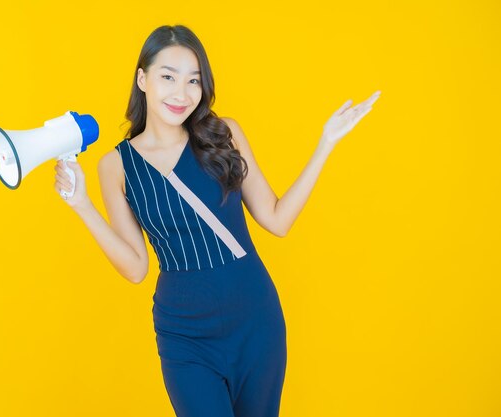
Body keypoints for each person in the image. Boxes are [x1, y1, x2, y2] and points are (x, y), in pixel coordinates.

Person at [54, 24, 380, 417]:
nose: (182, 93)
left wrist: (325, 143)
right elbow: (136, 268)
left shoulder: (224, 134)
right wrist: (81, 205)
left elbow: (277, 220)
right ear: (143, 79)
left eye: (194, 80)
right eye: (168, 77)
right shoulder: (116, 166)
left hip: (255, 320)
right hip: (185, 332)